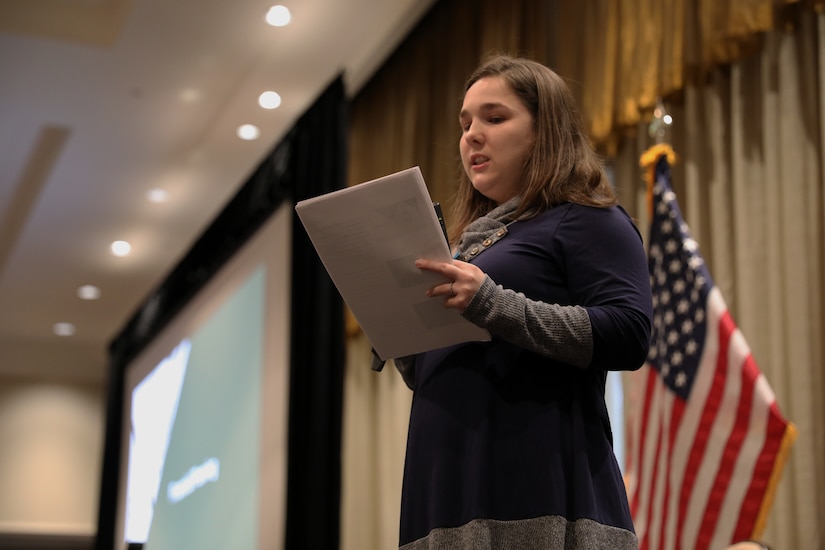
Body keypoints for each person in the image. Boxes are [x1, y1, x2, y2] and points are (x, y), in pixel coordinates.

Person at [395, 54, 654, 549]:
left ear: (546, 131)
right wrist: (402, 331)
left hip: (538, 501)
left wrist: (490, 302)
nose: (471, 135)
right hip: (442, 501)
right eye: (465, 123)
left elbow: (628, 332)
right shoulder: (464, 246)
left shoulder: (586, 219)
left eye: (494, 118)